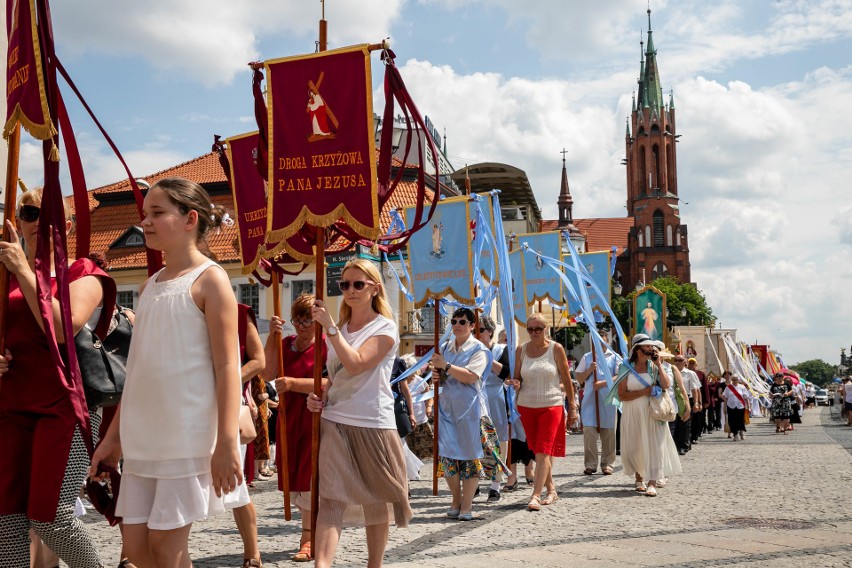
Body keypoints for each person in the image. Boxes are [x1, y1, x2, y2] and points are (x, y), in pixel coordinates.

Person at [89, 177, 244, 567]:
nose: (147, 223)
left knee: (164, 548)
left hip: (186, 438)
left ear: (190, 218)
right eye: (145, 215)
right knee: (138, 552)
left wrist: (226, 441)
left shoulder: (211, 279)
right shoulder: (148, 288)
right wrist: (113, 439)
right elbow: (137, 374)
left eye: (158, 213)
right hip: (144, 440)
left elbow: (228, 366)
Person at [0, 188, 112, 568]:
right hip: (10, 405)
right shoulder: (2, 277)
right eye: (30, 212)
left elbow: (65, 326)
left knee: (52, 517)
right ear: (18, 220)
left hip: (64, 406)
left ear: (64, 226)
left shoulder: (83, 271)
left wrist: (21, 269)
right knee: (5, 519)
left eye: (47, 214)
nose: (37, 221)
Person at [307, 259, 412, 568]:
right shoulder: (338, 329)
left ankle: (374, 565)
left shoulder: (385, 327)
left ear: (374, 288)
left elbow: (356, 364)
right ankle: (321, 565)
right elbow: (336, 376)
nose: (350, 290)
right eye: (344, 285)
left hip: (372, 421)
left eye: (358, 284)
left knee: (376, 499)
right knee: (331, 497)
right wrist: (320, 397)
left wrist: (329, 327)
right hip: (335, 420)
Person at [265, 293, 328, 563]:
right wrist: (272, 337)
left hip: (315, 418)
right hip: (288, 419)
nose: (301, 327)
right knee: (294, 479)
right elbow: (267, 374)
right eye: (297, 321)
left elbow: (329, 384)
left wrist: (293, 384)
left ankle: (308, 538)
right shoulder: (286, 343)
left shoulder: (327, 346)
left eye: (307, 321)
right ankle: (314, 532)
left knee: (310, 478)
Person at [431, 307, 506, 521]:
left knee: (470, 457)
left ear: (472, 326)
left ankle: (467, 504)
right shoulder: (445, 347)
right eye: (454, 321)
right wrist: (437, 376)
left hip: (470, 411)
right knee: (448, 457)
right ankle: (455, 499)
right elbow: (443, 377)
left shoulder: (479, 350)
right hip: (447, 408)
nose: (457, 325)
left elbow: (472, 377)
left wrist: (445, 366)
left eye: (462, 322)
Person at [512, 313, 577, 511]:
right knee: (539, 452)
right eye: (530, 329)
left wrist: (572, 406)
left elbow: (566, 379)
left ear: (546, 329)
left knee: (543, 450)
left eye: (538, 329)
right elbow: (517, 377)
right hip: (526, 406)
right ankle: (551, 489)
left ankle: (535, 495)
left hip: (551, 405)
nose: (534, 333)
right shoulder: (521, 350)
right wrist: (514, 383)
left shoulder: (556, 349)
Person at [612, 334, 681, 497]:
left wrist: (659, 364)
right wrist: (644, 391)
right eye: (647, 346)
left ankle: (652, 482)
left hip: (652, 411)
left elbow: (666, 385)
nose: (651, 348)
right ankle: (639, 478)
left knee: (655, 446)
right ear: (638, 349)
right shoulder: (626, 367)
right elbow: (622, 395)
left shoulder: (654, 366)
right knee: (636, 447)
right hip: (632, 411)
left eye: (652, 346)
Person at [231, 304, 266, 568]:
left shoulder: (240, 314)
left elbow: (258, 361)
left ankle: (252, 552)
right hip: (189, 404)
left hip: (229, 404)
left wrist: (227, 380)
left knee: (235, 483)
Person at [575, 337, 621, 476]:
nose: (599, 344)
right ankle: (590, 464)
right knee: (589, 430)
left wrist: (602, 383)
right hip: (591, 398)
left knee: (608, 432)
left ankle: (607, 463)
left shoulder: (614, 357)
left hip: (608, 397)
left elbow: (619, 376)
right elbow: (579, 377)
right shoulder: (587, 357)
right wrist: (590, 370)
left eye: (602, 341)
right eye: (596, 341)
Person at [478, 316, 511, 502]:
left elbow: (505, 372)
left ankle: (495, 485)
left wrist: (487, 357)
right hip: (475, 396)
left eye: (482, 329)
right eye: (476, 330)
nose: (479, 333)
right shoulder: (470, 349)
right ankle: (473, 482)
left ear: (490, 331)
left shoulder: (500, 349)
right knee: (475, 439)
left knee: (499, 439)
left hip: (495, 395)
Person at [721, 375, 749, 441]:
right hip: (731, 406)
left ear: (738, 380)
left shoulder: (742, 387)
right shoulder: (728, 387)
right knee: (732, 421)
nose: (734, 381)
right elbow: (725, 398)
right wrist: (724, 408)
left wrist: (748, 406)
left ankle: (741, 432)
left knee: (740, 420)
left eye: (736, 379)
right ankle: (735, 434)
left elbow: (746, 398)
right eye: (733, 379)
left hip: (740, 406)